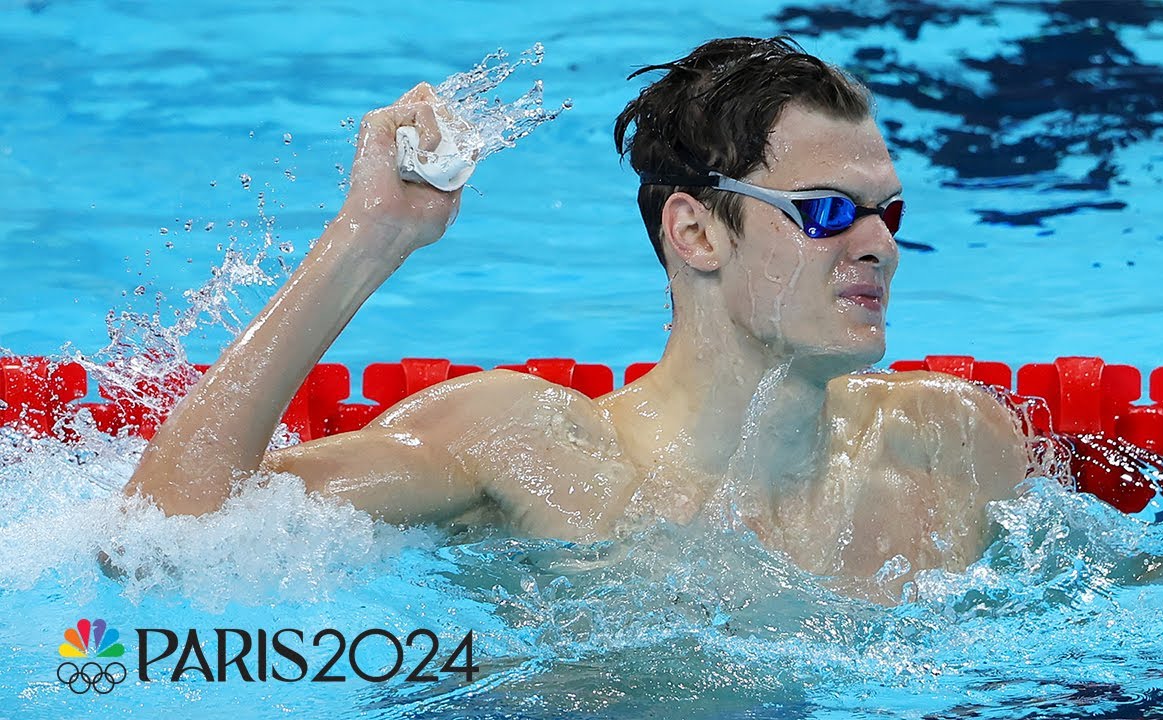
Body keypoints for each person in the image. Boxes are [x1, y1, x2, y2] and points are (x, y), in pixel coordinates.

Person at [125, 37, 1029, 599]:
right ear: (695, 231)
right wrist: (370, 238)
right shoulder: (524, 448)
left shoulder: (947, 443)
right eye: (829, 211)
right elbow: (166, 541)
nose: (878, 246)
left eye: (889, 213)